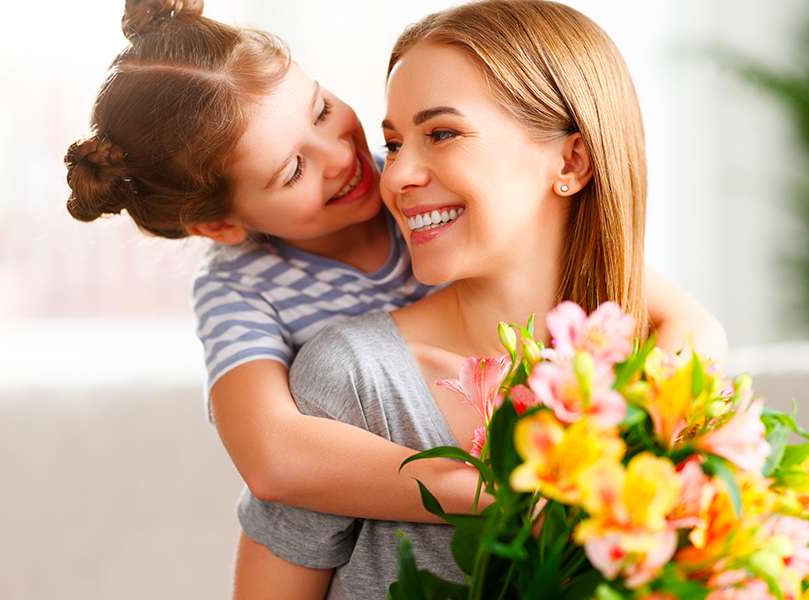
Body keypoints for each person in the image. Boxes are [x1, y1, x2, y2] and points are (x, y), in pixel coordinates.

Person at [63, 0, 726, 583]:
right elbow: (273, 456)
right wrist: (503, 488)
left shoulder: (412, 185)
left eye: (322, 109)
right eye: (293, 167)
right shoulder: (252, 295)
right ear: (220, 225)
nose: (358, 162)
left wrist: (629, 454)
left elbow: (680, 318)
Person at [233, 1, 684, 598]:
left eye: (441, 134)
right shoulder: (355, 381)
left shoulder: (669, 373)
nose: (395, 178)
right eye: (394, 144)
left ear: (572, 160)